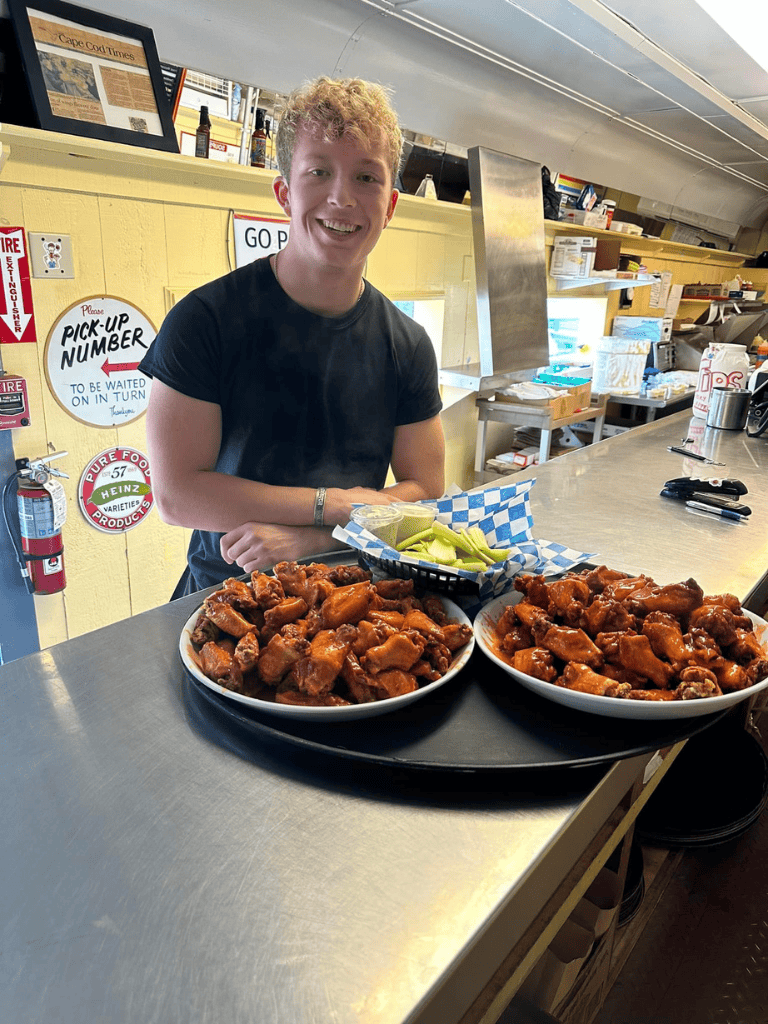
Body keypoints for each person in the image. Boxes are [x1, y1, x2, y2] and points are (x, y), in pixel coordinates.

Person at [139, 76, 445, 597]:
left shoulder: (408, 343)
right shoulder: (204, 320)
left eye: (366, 177)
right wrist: (334, 503)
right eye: (319, 171)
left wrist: (312, 537)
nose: (341, 197)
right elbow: (177, 495)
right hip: (229, 596)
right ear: (284, 192)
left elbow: (426, 493)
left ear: (391, 205)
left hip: (358, 591)